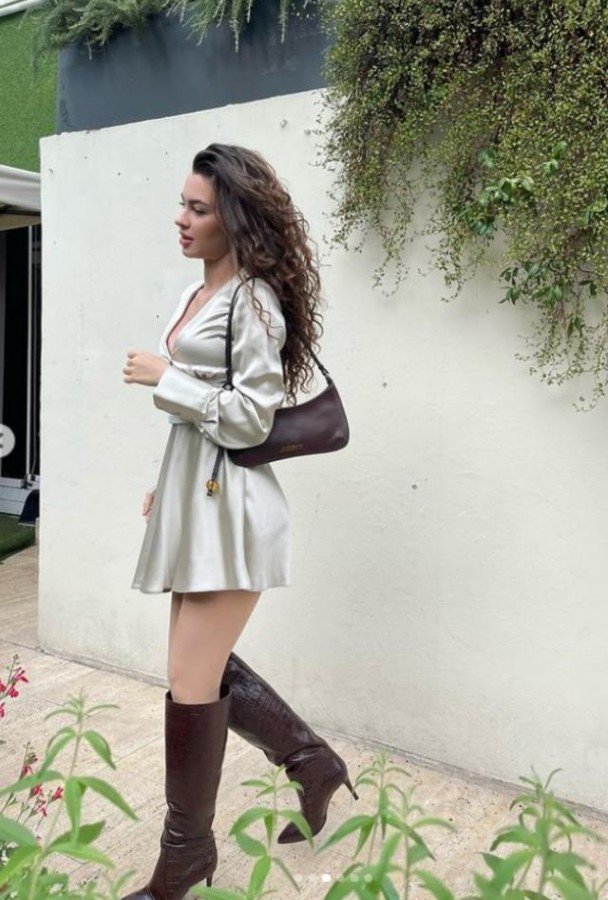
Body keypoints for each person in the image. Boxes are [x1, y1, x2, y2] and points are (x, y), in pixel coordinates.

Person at [121, 144, 358, 900]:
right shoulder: (197, 294)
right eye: (182, 204)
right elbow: (202, 417)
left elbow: (251, 419)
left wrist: (167, 377)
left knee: (192, 679)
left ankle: (186, 855)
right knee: (198, 667)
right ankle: (312, 764)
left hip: (233, 510)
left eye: (198, 209)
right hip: (196, 495)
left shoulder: (254, 303)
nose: (181, 219)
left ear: (234, 218)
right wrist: (166, 483)